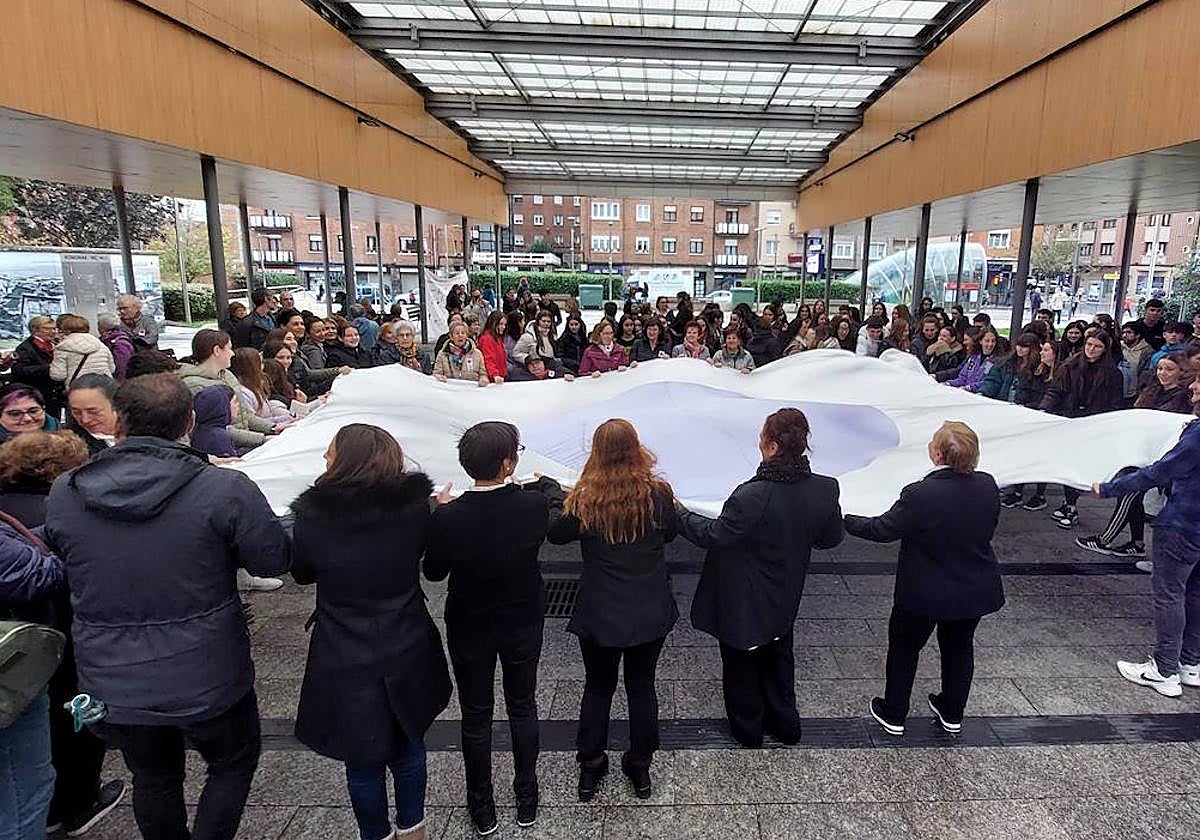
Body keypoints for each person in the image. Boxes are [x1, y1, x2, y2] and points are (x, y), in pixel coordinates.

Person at [44, 373, 291, 840]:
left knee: (153, 777)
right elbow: (271, 558)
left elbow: (61, 554)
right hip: (208, 670)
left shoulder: (67, 491)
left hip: (114, 675)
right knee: (232, 763)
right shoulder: (223, 488)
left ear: (118, 422)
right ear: (191, 421)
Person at [290, 424, 450, 840]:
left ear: (345, 460)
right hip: (406, 636)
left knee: (361, 758)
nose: (325, 460)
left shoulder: (314, 517)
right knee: (408, 742)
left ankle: (375, 834)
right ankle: (414, 828)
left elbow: (303, 572)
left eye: (329, 453)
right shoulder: (414, 508)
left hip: (342, 647)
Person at [676, 409, 844, 748]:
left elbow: (715, 535)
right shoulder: (826, 488)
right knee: (779, 656)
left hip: (744, 595)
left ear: (769, 446)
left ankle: (749, 730)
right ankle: (786, 724)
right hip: (786, 593)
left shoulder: (752, 496)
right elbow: (830, 537)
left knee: (741, 665)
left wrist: (679, 513)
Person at [537, 420, 678, 800]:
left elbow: (556, 532)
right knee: (642, 685)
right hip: (649, 608)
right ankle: (639, 765)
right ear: (636, 448)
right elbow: (671, 531)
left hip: (600, 610)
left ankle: (592, 764)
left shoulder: (586, 499)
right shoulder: (657, 494)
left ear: (596, 452)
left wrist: (552, 493)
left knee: (598, 687)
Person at [425, 423, 547, 833]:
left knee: (476, 715)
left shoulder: (449, 516)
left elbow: (434, 572)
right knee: (523, 705)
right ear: (508, 463)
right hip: (522, 618)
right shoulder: (531, 507)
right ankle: (526, 797)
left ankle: (481, 805)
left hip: (469, 622)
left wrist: (438, 513)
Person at [844, 422, 1004, 735]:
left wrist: (845, 517)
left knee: (904, 648)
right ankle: (952, 712)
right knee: (959, 648)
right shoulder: (987, 485)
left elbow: (883, 529)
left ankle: (894, 712)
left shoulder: (921, 494)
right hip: (973, 586)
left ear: (937, 453)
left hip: (924, 591)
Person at [1096, 375, 1200, 697]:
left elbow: (1160, 471)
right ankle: (1190, 663)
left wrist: (1109, 489)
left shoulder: (1197, 435)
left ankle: (1164, 670)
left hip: (1183, 524)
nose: (1193, 387)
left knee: (1170, 594)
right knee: (1196, 594)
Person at [1075, 354, 1196, 560]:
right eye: (1160, 368)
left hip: (1161, 456)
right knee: (1133, 495)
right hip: (1139, 451)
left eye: (1169, 369)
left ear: (1181, 372)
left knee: (1130, 492)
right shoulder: (1152, 392)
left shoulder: (1184, 398)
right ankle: (1137, 542)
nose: (1162, 373)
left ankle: (1106, 539)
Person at [0, 508, 69, 840]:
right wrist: (92, 544)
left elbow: (17, 545)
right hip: (8, 675)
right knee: (22, 792)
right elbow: (31, 575)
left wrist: (64, 526)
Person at [1039, 330, 1124, 528]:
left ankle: (1071, 504)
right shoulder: (1070, 366)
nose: (1091, 350)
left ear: (1105, 350)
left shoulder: (1113, 374)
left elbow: (1115, 403)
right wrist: (1044, 409)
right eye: (1089, 345)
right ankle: (1069, 503)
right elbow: (1056, 391)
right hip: (1070, 419)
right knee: (1067, 463)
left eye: (1097, 347)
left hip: (1095, 423)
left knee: (1080, 465)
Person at [178, 329, 280, 451]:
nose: (232, 353)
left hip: (242, 442)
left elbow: (244, 415)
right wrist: (261, 438)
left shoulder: (228, 375)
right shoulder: (194, 386)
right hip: (224, 448)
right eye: (229, 348)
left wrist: (272, 428)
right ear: (216, 351)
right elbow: (213, 429)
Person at [997, 340, 1061, 511]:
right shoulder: (1036, 370)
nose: (1042, 353)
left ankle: (1040, 494)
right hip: (1030, 416)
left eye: (1046, 350)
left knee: (1042, 458)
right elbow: (1024, 389)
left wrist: (1036, 408)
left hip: (1049, 420)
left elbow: (1054, 397)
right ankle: (1018, 491)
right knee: (1023, 454)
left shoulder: (1062, 374)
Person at [11, 315, 61, 419]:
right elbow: (20, 371)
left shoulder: (56, 345)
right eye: (47, 329)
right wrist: (49, 367)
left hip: (54, 396)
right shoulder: (25, 348)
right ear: (35, 330)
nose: (52, 332)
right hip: (36, 395)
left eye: (53, 328)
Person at [49, 313, 116, 388]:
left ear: (66, 329)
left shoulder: (62, 347)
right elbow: (112, 369)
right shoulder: (101, 345)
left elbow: (58, 375)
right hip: (104, 387)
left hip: (79, 389)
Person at [65, 373, 119, 455]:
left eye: (93, 412)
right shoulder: (69, 444)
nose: (85, 420)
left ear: (116, 405)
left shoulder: (140, 430)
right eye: (77, 412)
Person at [190, 384, 239, 459]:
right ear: (224, 406)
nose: (238, 405)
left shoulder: (201, 430)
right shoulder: (218, 437)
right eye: (235, 402)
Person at [433, 322, 488, 386]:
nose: (460, 335)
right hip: (450, 392)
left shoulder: (477, 354)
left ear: (467, 335)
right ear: (451, 336)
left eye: (463, 333)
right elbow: (436, 374)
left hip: (472, 392)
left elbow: (483, 374)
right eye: (457, 333)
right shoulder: (442, 354)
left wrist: (483, 380)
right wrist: (439, 377)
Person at [97, 312, 135, 381]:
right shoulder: (107, 340)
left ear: (102, 327)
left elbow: (122, 368)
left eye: (98, 324)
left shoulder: (120, 344)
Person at [478, 311, 510, 384]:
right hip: (493, 379)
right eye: (501, 324)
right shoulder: (487, 339)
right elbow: (488, 359)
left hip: (500, 376)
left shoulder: (498, 338)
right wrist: (494, 375)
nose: (503, 327)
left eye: (505, 324)